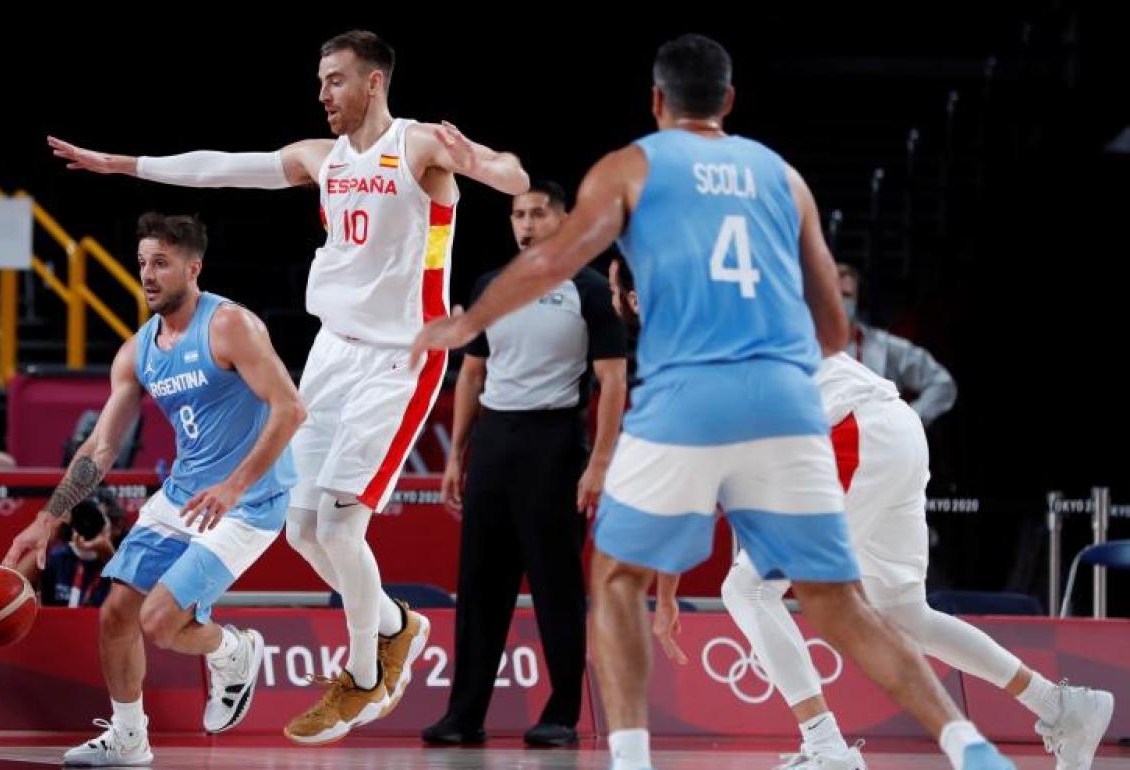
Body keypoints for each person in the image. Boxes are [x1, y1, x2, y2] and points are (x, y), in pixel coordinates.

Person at [411, 33, 1014, 770]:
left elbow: (550, 260)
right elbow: (831, 328)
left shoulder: (632, 165)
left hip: (690, 392)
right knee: (836, 599)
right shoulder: (782, 177)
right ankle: (966, 742)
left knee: (615, 577)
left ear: (657, 100)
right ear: (729, 101)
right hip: (789, 403)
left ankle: (631, 760)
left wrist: (469, 321)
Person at [48, 30, 529, 743]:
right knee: (301, 525)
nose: (322, 93)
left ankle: (367, 676)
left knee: (338, 523)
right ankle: (397, 626)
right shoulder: (321, 158)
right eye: (319, 81)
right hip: (333, 351)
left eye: (334, 80)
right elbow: (221, 169)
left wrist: (489, 166)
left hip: (401, 355)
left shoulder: (420, 144)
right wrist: (125, 164)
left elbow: (514, 175)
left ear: (372, 82)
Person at [651, 350, 1115, 770]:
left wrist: (667, 596)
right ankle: (1059, 705)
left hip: (853, 430)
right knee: (904, 616)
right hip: (895, 429)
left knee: (747, 587)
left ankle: (827, 749)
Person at [4, 213, 303, 766]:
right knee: (115, 614)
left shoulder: (231, 326)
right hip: (182, 495)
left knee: (160, 620)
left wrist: (235, 486)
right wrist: (46, 521)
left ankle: (234, 650)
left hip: (249, 501)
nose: (147, 274)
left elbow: (290, 408)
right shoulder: (137, 351)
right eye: (142, 262)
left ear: (194, 268)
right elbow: (99, 449)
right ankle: (129, 737)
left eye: (161, 263)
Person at [423, 181, 627, 747]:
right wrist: (455, 456)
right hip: (494, 440)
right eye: (519, 214)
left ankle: (563, 712)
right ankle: (463, 715)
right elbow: (470, 373)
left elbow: (611, 381)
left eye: (539, 213)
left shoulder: (588, 291)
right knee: (480, 585)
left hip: (554, 443)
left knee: (555, 584)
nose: (527, 223)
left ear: (563, 221)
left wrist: (599, 464)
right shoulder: (491, 286)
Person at [838, 262, 957, 426]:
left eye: (846, 295)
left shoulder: (884, 346)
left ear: (858, 299)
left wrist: (910, 419)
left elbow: (942, 383)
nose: (839, 301)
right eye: (833, 293)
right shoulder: (805, 349)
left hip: (876, 444)